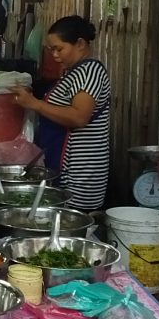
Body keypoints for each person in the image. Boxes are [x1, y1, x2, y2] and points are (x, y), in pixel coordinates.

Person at [12, 15, 112, 211]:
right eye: (51, 50)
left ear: (80, 44)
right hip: (64, 169)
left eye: (59, 49)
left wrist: (35, 104)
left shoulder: (90, 71)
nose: (54, 55)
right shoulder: (74, 72)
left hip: (79, 175)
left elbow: (79, 117)